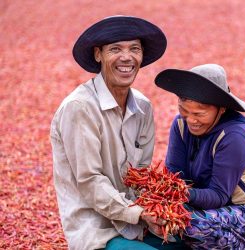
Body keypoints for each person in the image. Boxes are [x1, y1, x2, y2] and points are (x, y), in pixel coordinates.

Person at [50, 15, 187, 250]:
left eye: (134, 48)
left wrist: (157, 212)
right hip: (97, 231)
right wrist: (139, 213)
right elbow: (90, 181)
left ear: (142, 56)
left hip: (137, 225)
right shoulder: (80, 108)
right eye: (115, 49)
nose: (126, 57)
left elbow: (141, 174)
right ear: (98, 54)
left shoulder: (142, 107)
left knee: (197, 244)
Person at [154, 64, 245, 249]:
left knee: (191, 225)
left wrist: (179, 194)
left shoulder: (234, 137)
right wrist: (164, 194)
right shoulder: (180, 125)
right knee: (155, 214)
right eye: (184, 110)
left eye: (199, 114)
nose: (191, 119)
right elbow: (175, 174)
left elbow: (218, 196)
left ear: (222, 109)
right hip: (210, 208)